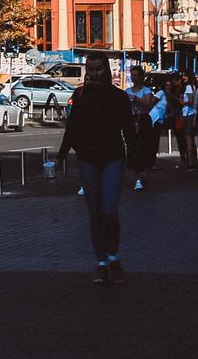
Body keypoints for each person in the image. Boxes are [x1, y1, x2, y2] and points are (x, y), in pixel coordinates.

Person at [55, 59, 135, 285]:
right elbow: (72, 127)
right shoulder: (80, 96)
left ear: (107, 71)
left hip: (113, 158)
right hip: (87, 159)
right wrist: (61, 155)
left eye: (98, 69)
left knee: (109, 210)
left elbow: (128, 129)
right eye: (90, 69)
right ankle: (101, 263)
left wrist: (136, 160)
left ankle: (113, 257)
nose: (93, 74)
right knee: (95, 213)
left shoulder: (118, 97)